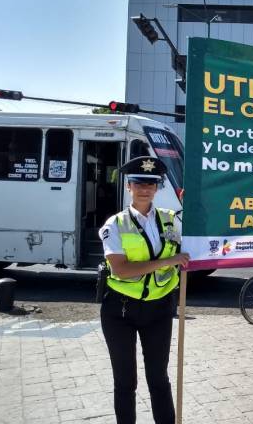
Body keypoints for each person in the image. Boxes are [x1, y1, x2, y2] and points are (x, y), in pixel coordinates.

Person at [98, 156, 189, 424]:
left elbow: (197, 243)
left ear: (157, 187)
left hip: (159, 309)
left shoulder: (171, 219)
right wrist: (169, 261)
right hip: (120, 311)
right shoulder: (115, 224)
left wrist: (195, 209)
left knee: (159, 378)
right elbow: (120, 270)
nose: (145, 189)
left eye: (151, 183)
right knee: (125, 381)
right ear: (129, 187)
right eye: (139, 183)